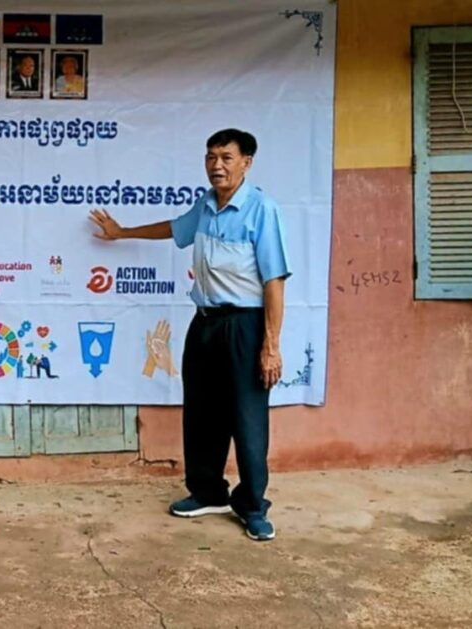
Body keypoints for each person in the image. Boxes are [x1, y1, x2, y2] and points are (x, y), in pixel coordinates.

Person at [88, 128, 289, 542]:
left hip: (245, 325)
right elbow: (175, 228)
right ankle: (208, 491)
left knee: (247, 418)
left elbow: (274, 281)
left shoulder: (261, 210)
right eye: (211, 157)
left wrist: (271, 345)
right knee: (201, 412)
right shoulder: (206, 204)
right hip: (205, 322)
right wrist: (122, 232)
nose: (217, 165)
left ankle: (252, 505)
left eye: (226, 158)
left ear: (247, 162)